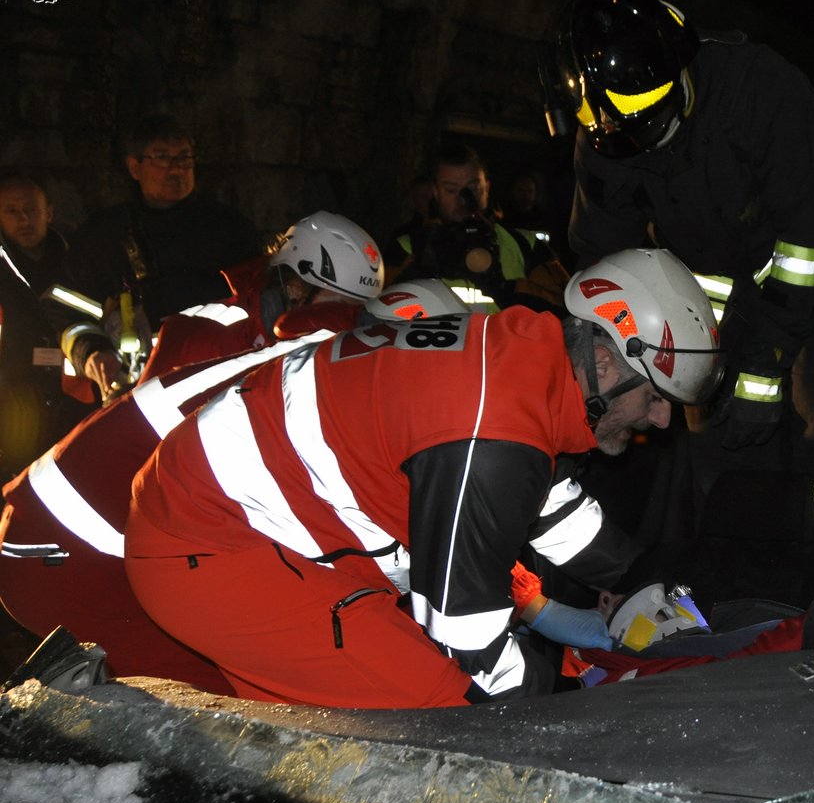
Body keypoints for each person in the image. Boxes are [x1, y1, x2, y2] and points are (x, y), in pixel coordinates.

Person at [123, 249, 723, 708]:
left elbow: (553, 507)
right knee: (438, 706)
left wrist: (638, 578)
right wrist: (568, 711)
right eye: (654, 396)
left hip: (255, 515)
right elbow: (469, 645)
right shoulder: (493, 435)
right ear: (603, 358)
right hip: (214, 540)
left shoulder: (522, 359)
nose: (662, 418)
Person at [557, 0, 814, 603]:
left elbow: (804, 244)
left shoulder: (764, 91)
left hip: (810, 282)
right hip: (702, 304)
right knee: (712, 445)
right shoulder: (606, 130)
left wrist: (764, 368)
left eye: (648, 117)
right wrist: (598, 358)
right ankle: (724, 599)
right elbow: (604, 259)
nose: (634, 137)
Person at [0, 280, 469, 693]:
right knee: (218, 701)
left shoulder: (323, 356)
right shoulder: (343, 389)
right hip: (79, 552)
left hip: (66, 531)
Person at [138, 211, 385, 382]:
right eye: (339, 306)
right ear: (294, 289)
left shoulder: (333, 351)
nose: (348, 320)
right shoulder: (202, 336)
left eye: (360, 310)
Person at [73, 114, 260, 333]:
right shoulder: (105, 233)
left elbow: (257, 301)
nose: (176, 169)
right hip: (130, 364)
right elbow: (68, 304)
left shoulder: (231, 229)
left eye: (184, 157)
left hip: (216, 360)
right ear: (134, 167)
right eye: (162, 158)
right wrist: (91, 349)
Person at [0, 174, 121, 481]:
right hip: (14, 406)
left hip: (76, 403)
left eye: (31, 209)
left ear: (49, 212)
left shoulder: (80, 264)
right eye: (11, 211)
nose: (23, 219)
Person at [387, 144, 568, 313]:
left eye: (473, 188)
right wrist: (416, 272)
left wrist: (504, 288)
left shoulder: (525, 244)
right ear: (435, 192)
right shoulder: (409, 246)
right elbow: (375, 312)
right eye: (451, 190)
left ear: (487, 189)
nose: (464, 200)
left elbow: (567, 309)